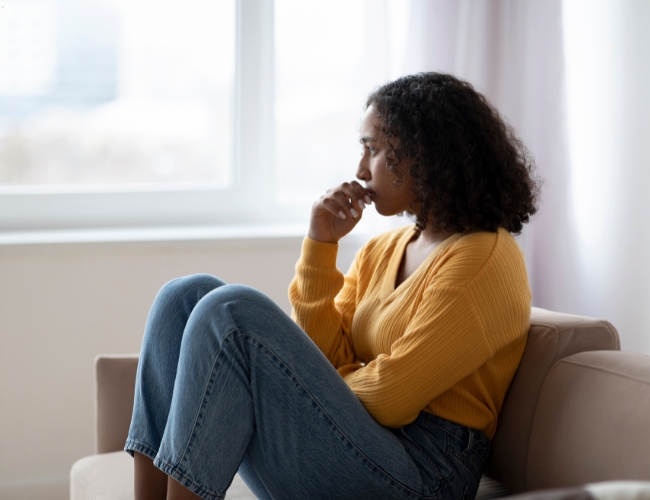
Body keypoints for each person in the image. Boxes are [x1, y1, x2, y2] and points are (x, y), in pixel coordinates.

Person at [125, 72, 539, 500]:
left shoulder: (484, 259)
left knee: (231, 312)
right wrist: (322, 246)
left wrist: (318, 385)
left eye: (373, 149)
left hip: (424, 473)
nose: (360, 169)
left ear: (425, 155)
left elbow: (391, 399)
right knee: (184, 296)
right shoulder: (384, 249)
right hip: (362, 442)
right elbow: (325, 353)